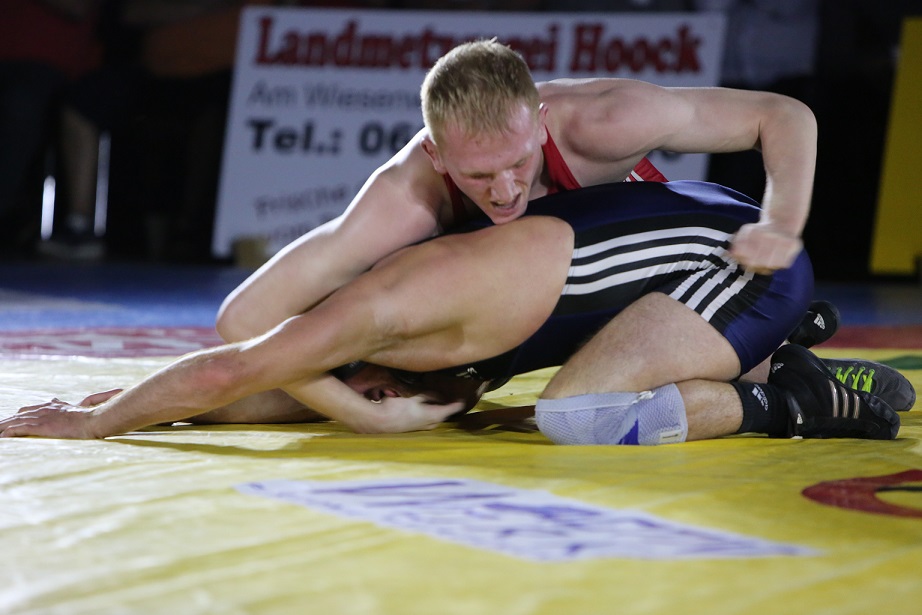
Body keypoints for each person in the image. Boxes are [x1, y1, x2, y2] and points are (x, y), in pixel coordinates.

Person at [1, 181, 909, 442]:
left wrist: (91, 426)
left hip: (739, 263)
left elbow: (240, 360)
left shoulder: (393, 309)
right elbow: (246, 391)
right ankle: (772, 355)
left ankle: (789, 397)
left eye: (363, 390)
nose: (367, 400)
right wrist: (125, 407)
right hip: (655, 277)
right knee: (563, 396)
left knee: (576, 415)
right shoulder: (392, 350)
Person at [213, 38, 820, 420]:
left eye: (519, 163)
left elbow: (780, 113)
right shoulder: (403, 196)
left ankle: (783, 356)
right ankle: (785, 348)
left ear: (541, 123)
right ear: (437, 156)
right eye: (478, 176)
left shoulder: (603, 121)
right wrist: (352, 408)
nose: (504, 191)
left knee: (585, 405)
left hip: (647, 273)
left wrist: (782, 222)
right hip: (532, 303)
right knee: (259, 398)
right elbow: (242, 318)